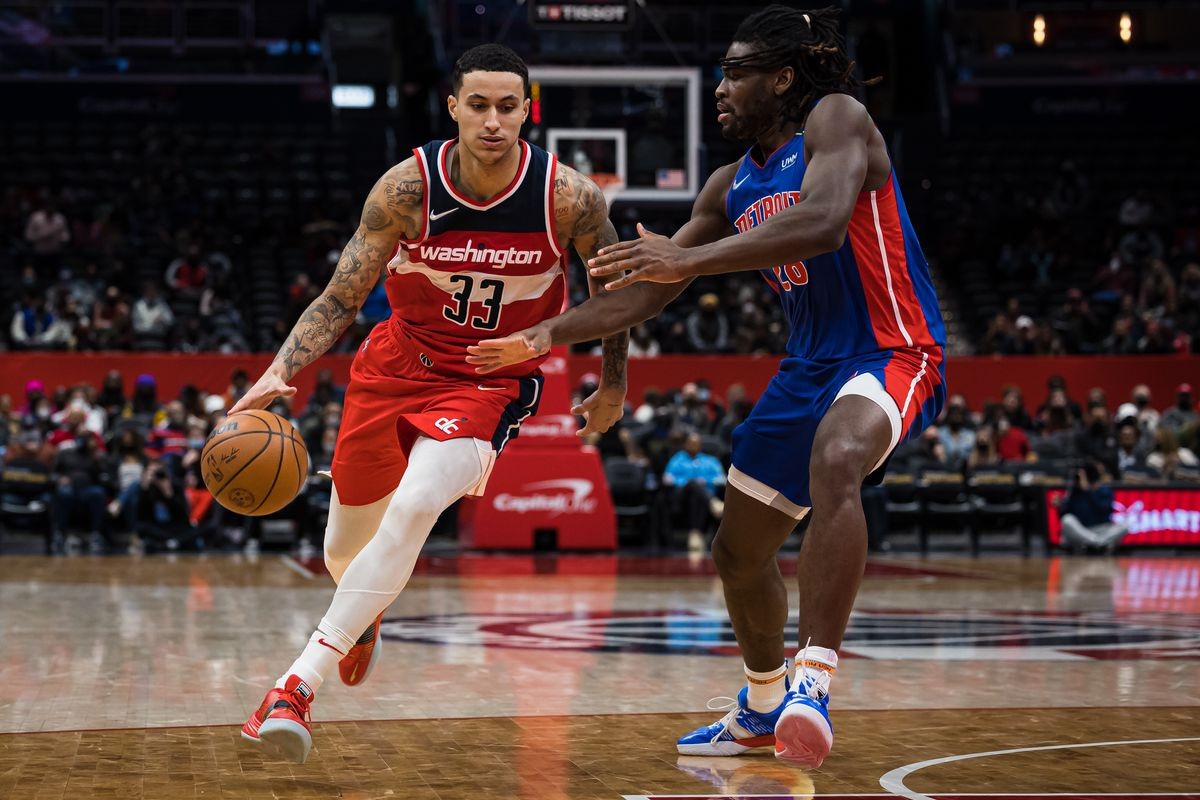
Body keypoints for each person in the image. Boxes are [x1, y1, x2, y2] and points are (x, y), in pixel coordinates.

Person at [467, 6, 945, 768]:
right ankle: (761, 706)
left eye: (735, 72)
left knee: (837, 458)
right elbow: (647, 292)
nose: (719, 86)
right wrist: (548, 334)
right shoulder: (729, 184)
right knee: (736, 552)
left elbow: (823, 221)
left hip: (891, 348)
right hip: (807, 367)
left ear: (782, 78)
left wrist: (688, 262)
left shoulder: (837, 119)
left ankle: (812, 683)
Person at [231, 44, 629, 763]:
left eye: (509, 105)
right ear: (453, 107)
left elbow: (613, 291)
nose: (494, 119)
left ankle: (295, 685)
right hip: (393, 368)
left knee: (416, 507)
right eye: (478, 104)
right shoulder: (406, 190)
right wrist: (276, 371)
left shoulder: (567, 196)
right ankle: (364, 612)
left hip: (490, 379)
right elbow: (342, 295)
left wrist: (615, 382)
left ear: (527, 110)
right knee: (343, 554)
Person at [663, 431, 727, 551]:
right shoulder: (677, 459)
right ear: (685, 445)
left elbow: (722, 479)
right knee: (692, 484)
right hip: (681, 498)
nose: (693, 446)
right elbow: (667, 479)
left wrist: (706, 480)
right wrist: (686, 482)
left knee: (697, 495)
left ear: (700, 445)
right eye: (691, 443)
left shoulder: (710, 461)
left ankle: (695, 534)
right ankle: (713, 502)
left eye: (696, 443)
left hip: (701, 499)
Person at [1058, 461, 1127, 553]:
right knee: (1067, 520)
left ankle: (1093, 544)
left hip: (1101, 529)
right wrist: (1059, 506)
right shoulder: (1075, 491)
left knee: (1125, 525)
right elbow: (1064, 515)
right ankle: (1099, 544)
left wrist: (1088, 490)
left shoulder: (1104, 489)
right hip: (1081, 530)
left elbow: (1103, 510)